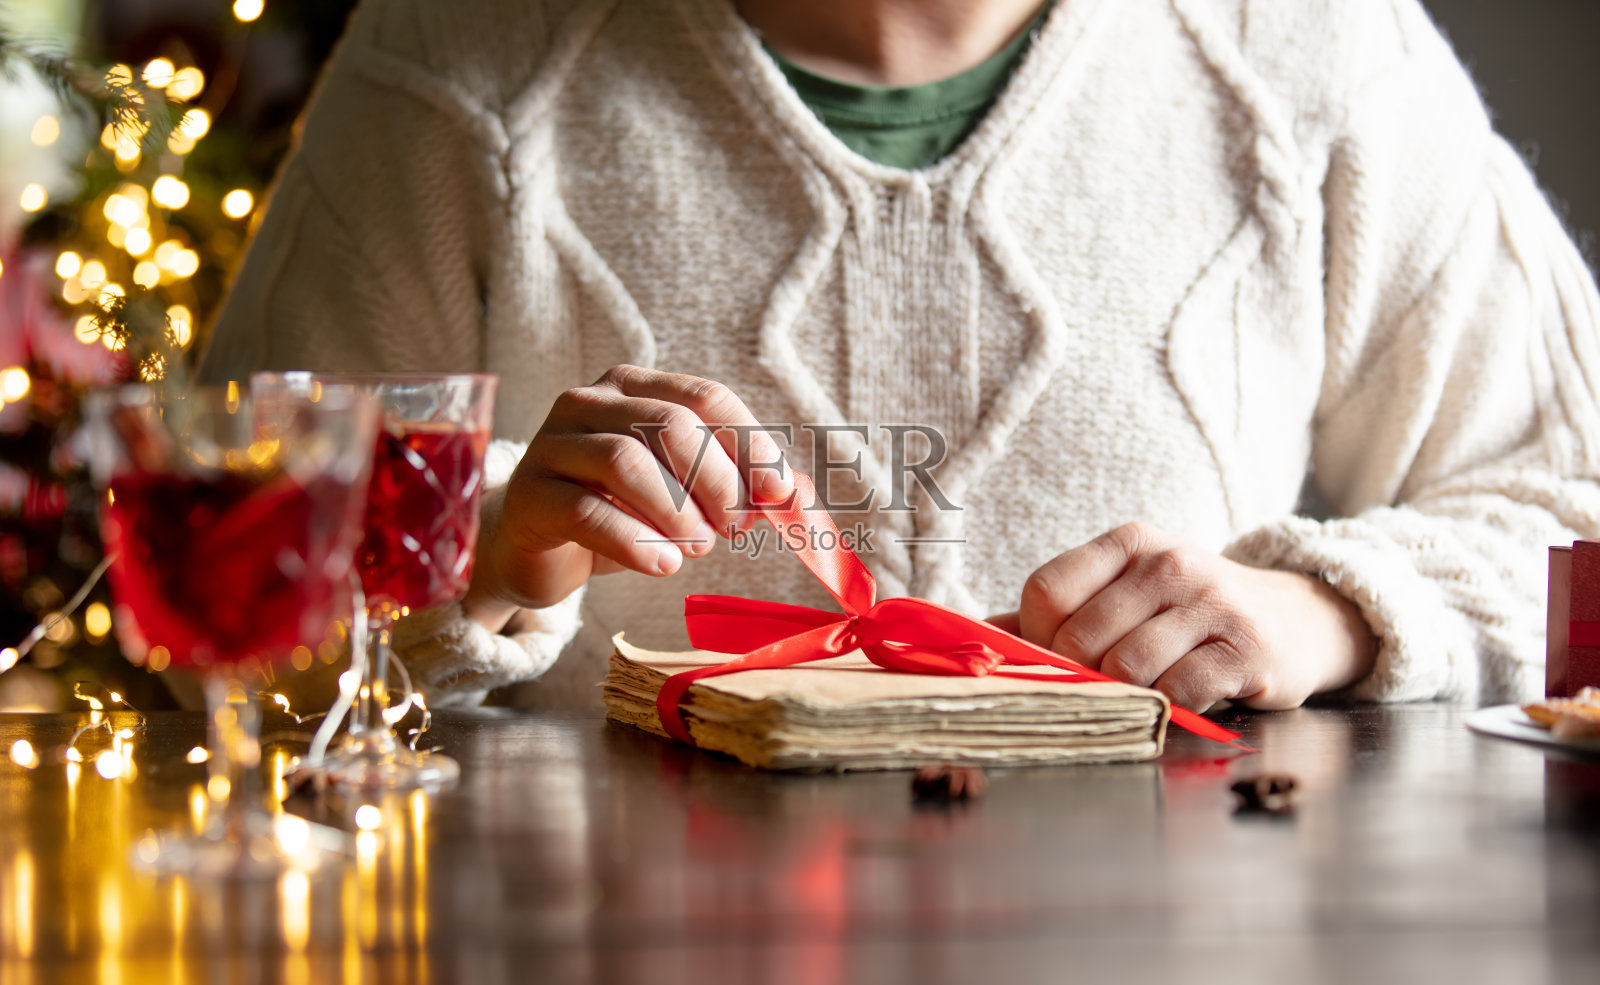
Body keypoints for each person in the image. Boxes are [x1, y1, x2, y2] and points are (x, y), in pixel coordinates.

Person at [199, 0, 1600, 714]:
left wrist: (1326, 611)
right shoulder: (449, 61)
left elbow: (1575, 512)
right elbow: (219, 590)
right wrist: (493, 549)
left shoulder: (1321, 55)